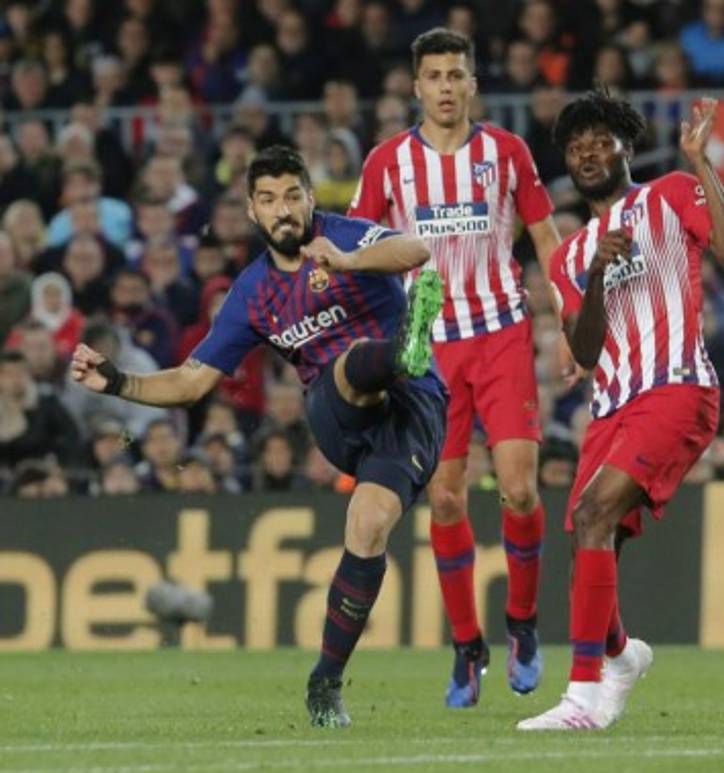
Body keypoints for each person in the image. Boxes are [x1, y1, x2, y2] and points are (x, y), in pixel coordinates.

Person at [69, 145, 448, 729]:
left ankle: (324, 682)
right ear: (252, 210)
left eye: (292, 196)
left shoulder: (344, 235)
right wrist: (116, 381)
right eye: (268, 200)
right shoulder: (252, 292)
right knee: (349, 363)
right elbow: (193, 382)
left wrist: (347, 262)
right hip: (336, 407)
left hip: (413, 410)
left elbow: (417, 250)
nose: (283, 210)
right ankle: (398, 352)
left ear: (308, 197)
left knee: (369, 526)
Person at [517, 90, 724, 730]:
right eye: (576, 146)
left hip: (676, 388)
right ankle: (620, 655)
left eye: (601, 141)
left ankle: (582, 698)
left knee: (594, 513)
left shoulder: (671, 194)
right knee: (592, 537)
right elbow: (586, 349)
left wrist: (703, 164)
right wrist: (594, 272)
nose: (588, 153)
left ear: (627, 147)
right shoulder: (567, 256)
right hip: (612, 404)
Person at [349, 28, 561, 708]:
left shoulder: (506, 153)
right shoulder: (388, 163)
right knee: (444, 496)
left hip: (501, 334)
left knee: (521, 490)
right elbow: (361, 246)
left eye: (455, 74)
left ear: (473, 84)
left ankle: (522, 626)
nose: (445, 86)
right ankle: (467, 647)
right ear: (416, 87)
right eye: (433, 75)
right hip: (427, 349)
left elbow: (546, 237)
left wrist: (571, 318)